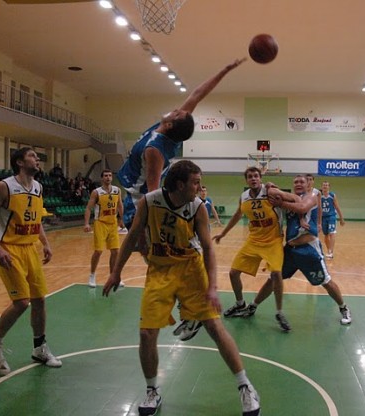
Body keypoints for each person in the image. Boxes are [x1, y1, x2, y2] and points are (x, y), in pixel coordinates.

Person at [102, 160, 261, 416]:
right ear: (179, 184)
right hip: (159, 270)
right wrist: (115, 272)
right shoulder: (150, 201)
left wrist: (212, 287)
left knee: (214, 326)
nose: (199, 188)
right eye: (195, 183)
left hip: (191, 269)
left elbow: (208, 248)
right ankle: (152, 391)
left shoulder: (197, 207)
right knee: (146, 333)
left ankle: (246, 386)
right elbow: (131, 237)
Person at [117, 58, 245, 230]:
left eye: (177, 113)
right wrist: (225, 70)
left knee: (149, 247)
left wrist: (153, 221)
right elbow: (197, 95)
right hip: (137, 198)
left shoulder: (154, 150)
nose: (177, 110)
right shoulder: (168, 131)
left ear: (170, 124)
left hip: (139, 203)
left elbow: (153, 191)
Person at [0, 147, 62, 376]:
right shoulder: (4, 187)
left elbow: (36, 219)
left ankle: (39, 348)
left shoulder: (38, 187)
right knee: (22, 302)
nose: (37, 159)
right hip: (9, 249)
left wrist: (45, 243)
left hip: (30, 248)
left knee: (39, 300)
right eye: (33, 155)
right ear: (19, 162)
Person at [250, 175, 352, 325]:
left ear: (308, 184)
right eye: (295, 182)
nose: (298, 184)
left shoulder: (312, 196)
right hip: (290, 250)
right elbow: (277, 195)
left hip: (309, 249)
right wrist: (269, 186)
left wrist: (280, 202)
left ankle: (344, 308)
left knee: (326, 281)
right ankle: (253, 306)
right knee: (273, 279)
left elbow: (303, 207)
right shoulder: (292, 198)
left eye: (301, 182)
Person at [213, 166, 291, 332]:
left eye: (256, 176)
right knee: (233, 273)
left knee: (276, 274)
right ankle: (240, 303)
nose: (253, 178)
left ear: (260, 178)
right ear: (246, 180)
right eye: (250, 176)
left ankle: (279, 312)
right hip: (254, 240)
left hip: (274, 241)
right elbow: (237, 215)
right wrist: (223, 233)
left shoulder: (270, 192)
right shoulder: (244, 197)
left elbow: (291, 201)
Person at [83, 169, 125, 289]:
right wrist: (86, 223)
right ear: (102, 178)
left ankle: (113, 276)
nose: (108, 177)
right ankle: (92, 275)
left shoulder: (117, 190)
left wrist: (122, 220)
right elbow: (88, 208)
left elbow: (120, 205)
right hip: (100, 223)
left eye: (110, 175)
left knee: (115, 251)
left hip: (113, 223)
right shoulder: (96, 192)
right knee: (98, 251)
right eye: (105, 176)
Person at [320, 181, 345, 259]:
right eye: (324, 185)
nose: (325, 186)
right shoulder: (319, 196)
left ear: (329, 187)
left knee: (332, 233)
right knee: (326, 235)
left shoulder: (332, 195)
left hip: (331, 216)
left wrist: (341, 218)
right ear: (321, 187)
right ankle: (329, 250)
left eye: (326, 185)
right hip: (323, 217)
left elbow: (337, 207)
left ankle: (330, 252)